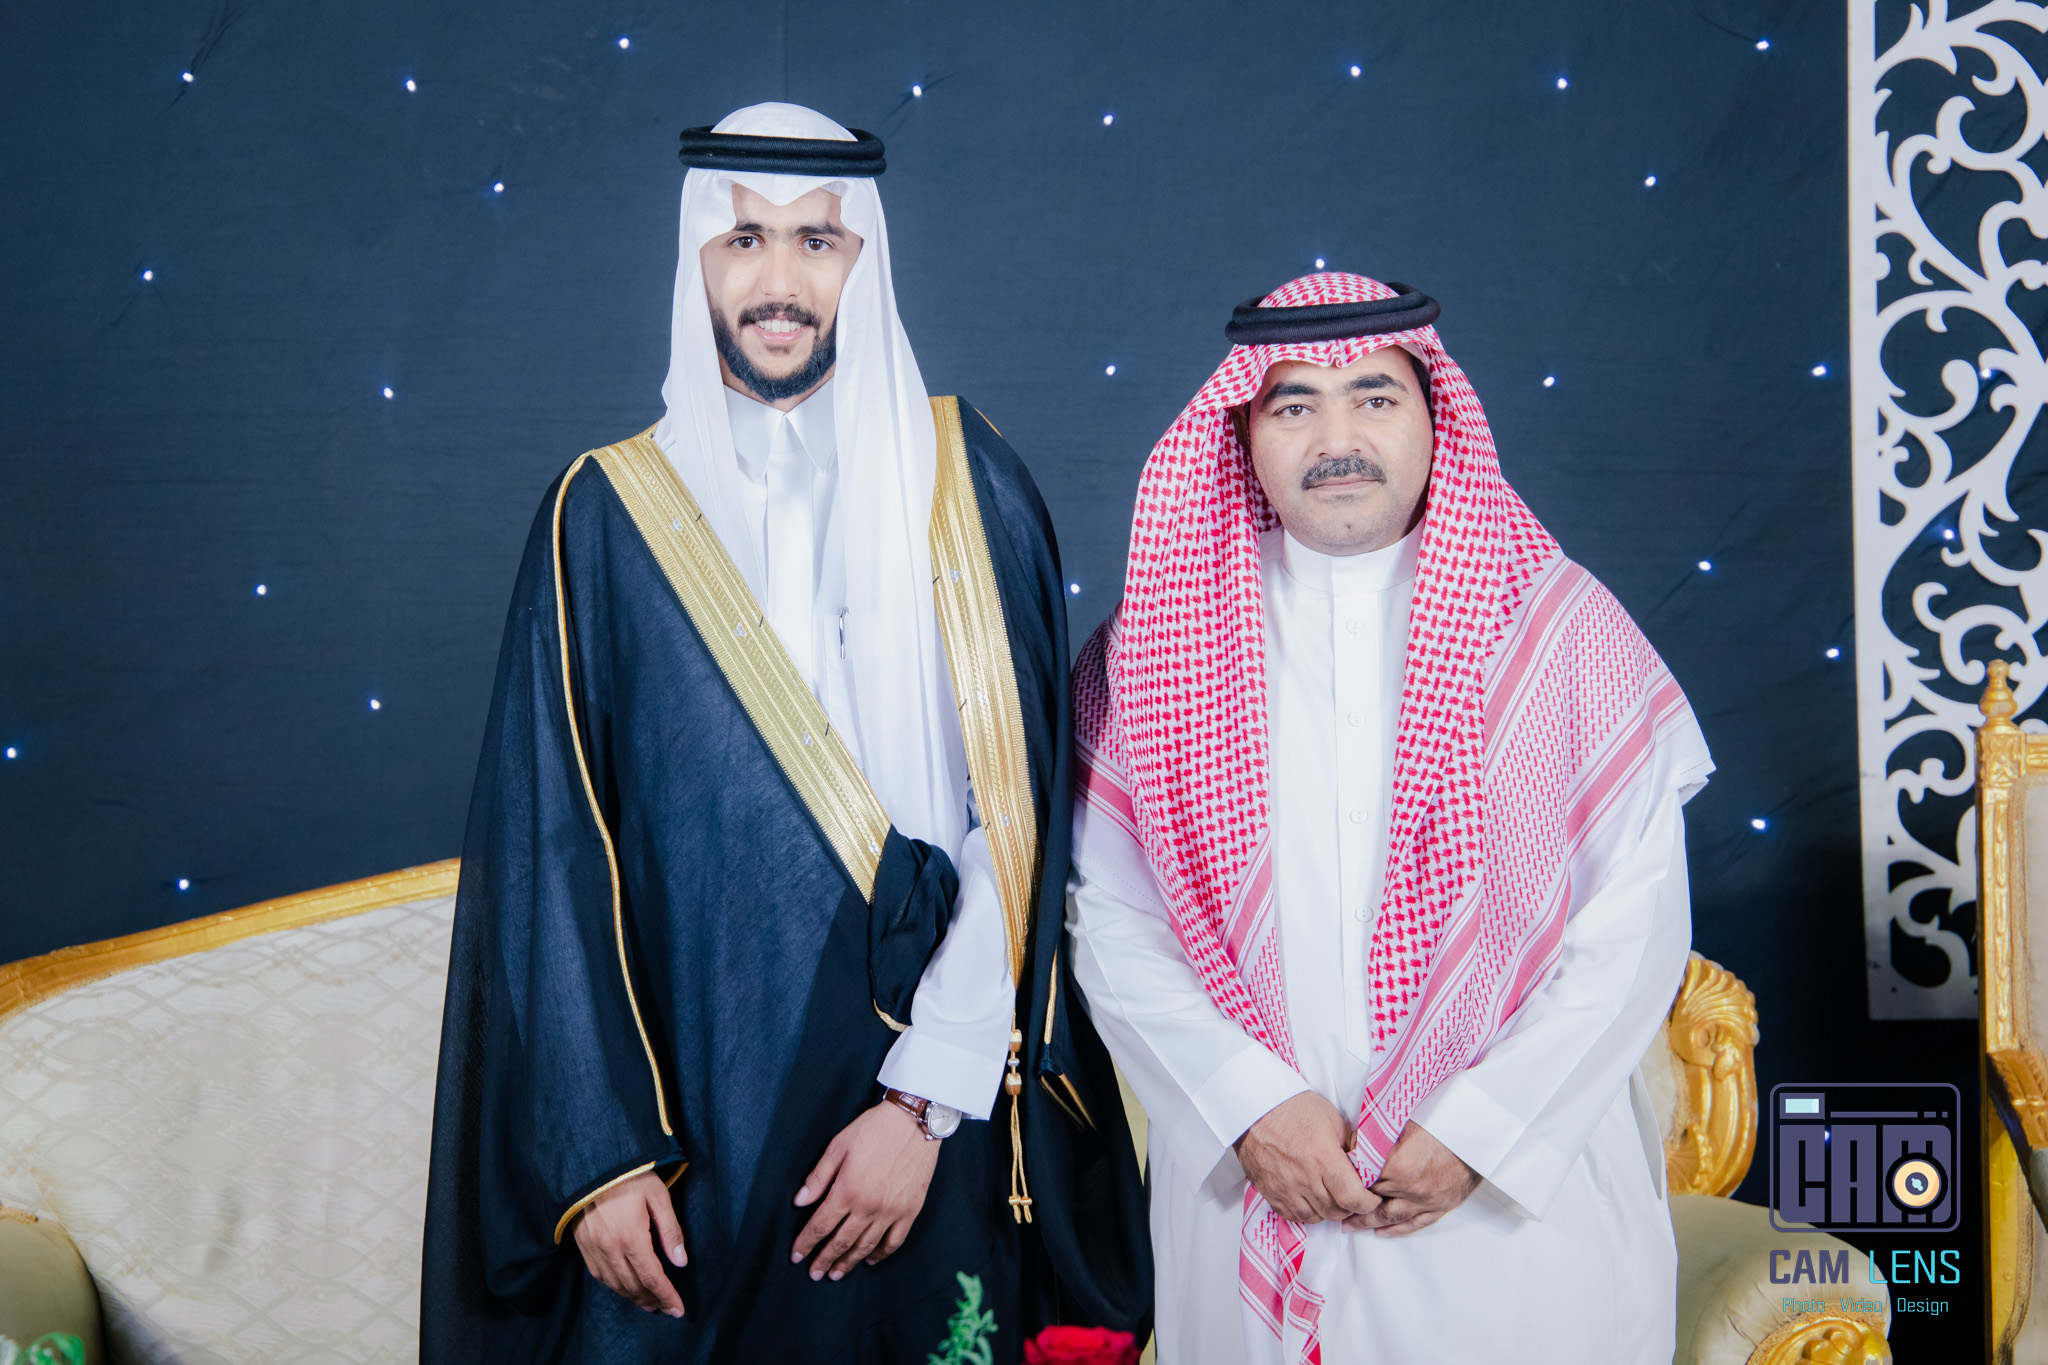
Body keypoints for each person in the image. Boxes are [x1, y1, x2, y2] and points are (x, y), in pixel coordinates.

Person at [422, 102, 1147, 1365]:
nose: (779, 281)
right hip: (688, 1126)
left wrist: (923, 1103)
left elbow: (1018, 817)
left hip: (931, 1098)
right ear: (694, 260)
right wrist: (601, 1156)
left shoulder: (967, 480)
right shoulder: (604, 514)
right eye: (743, 240)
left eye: (817, 241)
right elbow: (551, 851)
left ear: (863, 260)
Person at [1067, 272, 1711, 1363]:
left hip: (1516, 1215)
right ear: (1243, 434)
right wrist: (1246, 1106)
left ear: (1432, 417)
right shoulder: (1151, 650)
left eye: (1374, 397)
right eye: (1294, 405)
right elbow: (1107, 921)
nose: (1338, 440)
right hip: (1255, 1179)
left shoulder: (1561, 631)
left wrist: (1483, 1129)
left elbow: (1635, 926)